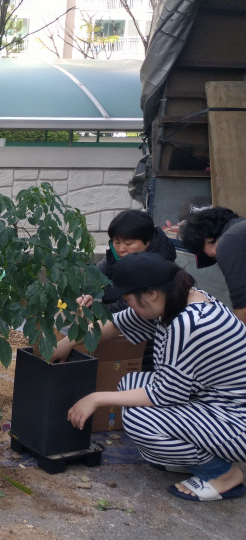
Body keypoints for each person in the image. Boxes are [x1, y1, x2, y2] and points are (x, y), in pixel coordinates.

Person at [54, 252, 246, 502]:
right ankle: (197, 457)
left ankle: (223, 474)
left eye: (128, 299)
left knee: (140, 419)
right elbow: (117, 325)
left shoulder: (189, 324)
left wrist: (95, 398)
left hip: (235, 421)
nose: (127, 304)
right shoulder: (177, 300)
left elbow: (165, 395)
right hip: (212, 402)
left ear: (151, 294)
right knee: (130, 385)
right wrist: (68, 343)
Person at [76, 210, 176, 372]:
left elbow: (127, 308)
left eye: (128, 244)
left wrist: (94, 309)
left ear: (147, 242)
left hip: (147, 341)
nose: (121, 249)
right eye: (116, 242)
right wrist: (86, 294)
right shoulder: (118, 254)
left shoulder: (157, 267)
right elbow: (93, 276)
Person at [180, 207, 246, 325]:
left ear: (208, 239)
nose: (213, 258)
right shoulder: (240, 229)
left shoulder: (229, 242)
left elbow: (243, 309)